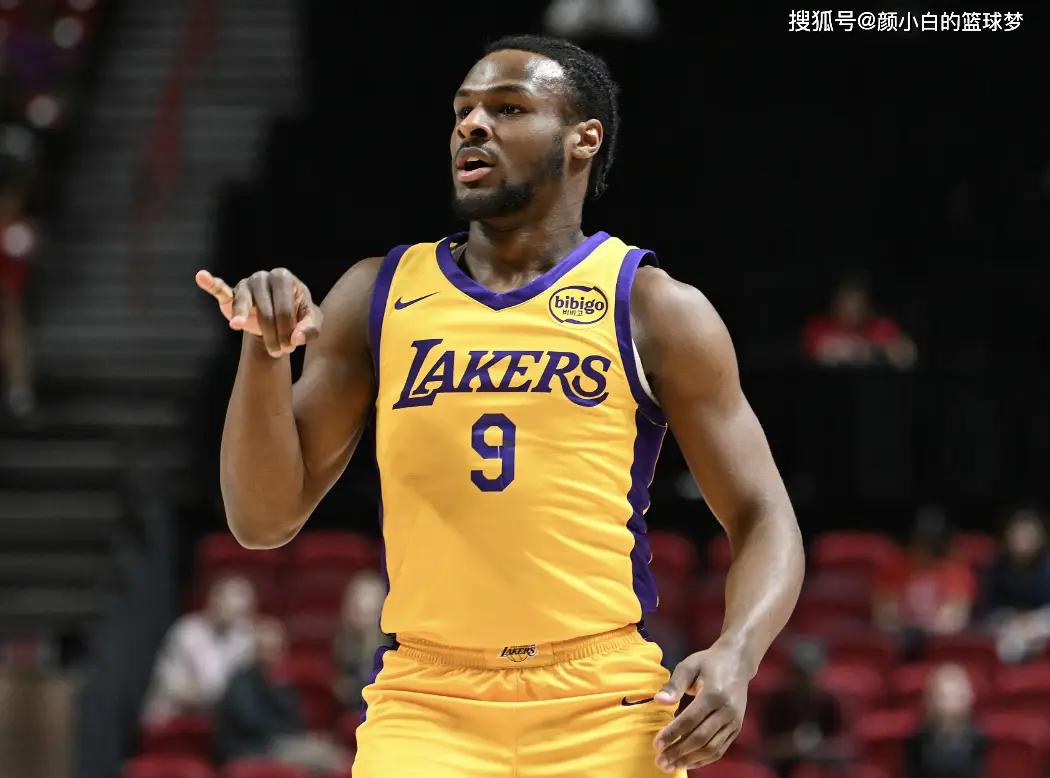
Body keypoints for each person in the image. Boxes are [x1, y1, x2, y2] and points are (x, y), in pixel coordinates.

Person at [196, 34, 804, 777]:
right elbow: (262, 521)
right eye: (463, 111)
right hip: (427, 702)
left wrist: (739, 650)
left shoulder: (653, 308)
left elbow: (765, 515)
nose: (472, 125)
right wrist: (264, 353)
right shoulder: (375, 296)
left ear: (584, 139)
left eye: (508, 108)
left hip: (602, 699)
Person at [215, 618, 349, 773]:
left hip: (275, 743)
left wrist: (304, 736)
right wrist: (296, 737)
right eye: (266, 648)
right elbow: (253, 723)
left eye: (277, 648)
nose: (273, 654)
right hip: (249, 748)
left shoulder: (275, 680)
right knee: (327, 759)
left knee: (335, 754)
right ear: (255, 650)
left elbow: (293, 715)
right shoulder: (241, 681)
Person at [140, 575, 257, 727]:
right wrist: (209, 694)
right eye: (229, 608)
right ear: (213, 600)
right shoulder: (187, 631)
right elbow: (170, 684)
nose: (233, 616)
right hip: (174, 715)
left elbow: (241, 686)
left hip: (219, 717)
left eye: (240, 612)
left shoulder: (244, 636)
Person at [874, 507, 976, 652]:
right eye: (922, 541)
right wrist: (907, 629)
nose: (926, 548)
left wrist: (925, 632)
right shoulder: (895, 568)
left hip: (941, 646)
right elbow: (884, 616)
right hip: (899, 643)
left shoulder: (956, 571)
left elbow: (955, 619)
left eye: (932, 543)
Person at [760, 639, 844, 778]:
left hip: (822, 763)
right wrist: (790, 746)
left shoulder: (830, 702)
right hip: (782, 766)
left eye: (810, 675)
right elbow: (765, 745)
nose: (805, 682)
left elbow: (841, 745)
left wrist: (816, 747)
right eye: (801, 675)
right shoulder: (777, 701)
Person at [802, 275, 917, 370]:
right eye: (847, 301)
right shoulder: (818, 327)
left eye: (858, 302)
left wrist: (879, 350)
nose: (852, 308)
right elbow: (810, 356)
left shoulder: (881, 327)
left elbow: (907, 354)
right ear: (836, 302)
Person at [983, 507, 1050, 662]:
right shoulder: (994, 570)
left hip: (1041, 625)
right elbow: (988, 611)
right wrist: (1012, 620)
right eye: (1018, 534)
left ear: (1040, 538)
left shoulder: (1047, 570)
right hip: (1005, 627)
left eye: (1028, 535)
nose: (1022, 540)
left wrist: (1033, 621)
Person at [904, 663, 986, 778]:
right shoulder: (917, 740)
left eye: (956, 695)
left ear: (967, 697)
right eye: (944, 696)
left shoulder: (980, 740)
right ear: (932, 699)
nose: (950, 703)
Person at [332, 570, 388, 710]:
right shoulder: (344, 643)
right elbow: (341, 689)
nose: (365, 618)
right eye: (360, 611)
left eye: (371, 612)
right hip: (354, 709)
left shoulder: (392, 643)